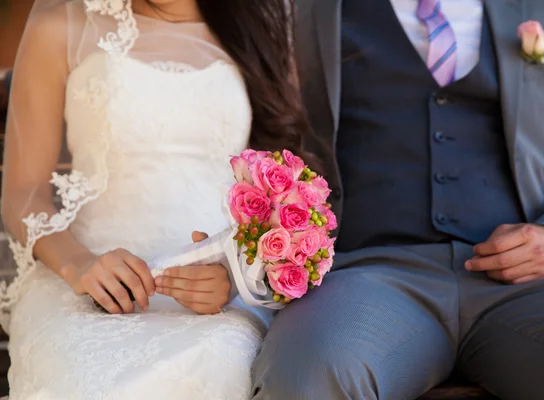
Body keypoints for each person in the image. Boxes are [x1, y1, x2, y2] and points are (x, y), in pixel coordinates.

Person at [252, 0, 544, 399]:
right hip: (367, 277)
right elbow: (265, 132)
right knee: (307, 376)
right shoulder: (304, 10)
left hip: (531, 284)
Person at [0, 0, 311, 398]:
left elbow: (279, 195)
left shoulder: (259, 30)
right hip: (86, 282)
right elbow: (24, 195)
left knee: (221, 366)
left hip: (217, 300)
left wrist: (234, 276)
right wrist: (79, 265)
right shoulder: (59, 23)